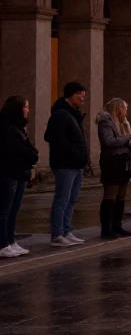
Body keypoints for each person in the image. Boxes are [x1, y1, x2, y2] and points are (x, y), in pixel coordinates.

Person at [46, 82, 90, 245]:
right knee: (62, 199)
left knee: (72, 199)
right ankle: (57, 234)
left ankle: (66, 230)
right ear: (71, 94)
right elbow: (54, 137)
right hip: (65, 164)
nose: (82, 99)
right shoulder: (60, 114)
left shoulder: (74, 114)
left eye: (84, 96)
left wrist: (83, 160)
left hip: (76, 164)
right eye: (80, 95)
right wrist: (73, 154)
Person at [96, 98, 131, 239]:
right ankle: (106, 228)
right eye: (125, 108)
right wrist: (128, 139)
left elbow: (128, 142)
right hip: (112, 161)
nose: (126, 112)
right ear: (118, 108)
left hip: (123, 161)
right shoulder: (106, 122)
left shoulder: (122, 123)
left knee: (121, 195)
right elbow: (109, 141)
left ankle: (117, 225)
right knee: (110, 195)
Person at [0, 96, 38, 258]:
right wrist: (30, 155)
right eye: (26, 107)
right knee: (4, 211)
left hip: (20, 173)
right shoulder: (8, 128)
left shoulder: (19, 127)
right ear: (18, 108)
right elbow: (17, 152)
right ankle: (2, 244)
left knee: (14, 210)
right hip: (9, 173)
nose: (28, 110)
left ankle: (11, 241)